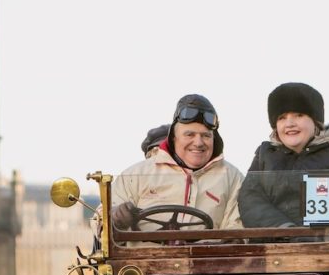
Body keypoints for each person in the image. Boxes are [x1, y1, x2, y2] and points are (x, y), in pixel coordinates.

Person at [237, 82, 329, 247]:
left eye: (299, 115)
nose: (290, 123)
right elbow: (250, 200)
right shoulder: (265, 155)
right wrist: (286, 231)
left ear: (316, 121)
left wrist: (328, 243)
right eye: (282, 118)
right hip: (275, 251)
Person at [104, 94, 243, 235]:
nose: (199, 142)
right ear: (174, 138)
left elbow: (237, 227)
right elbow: (100, 222)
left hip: (205, 256)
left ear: (214, 138)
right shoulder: (136, 175)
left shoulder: (231, 177)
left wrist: (228, 241)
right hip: (144, 256)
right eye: (189, 135)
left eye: (206, 135)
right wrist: (115, 217)